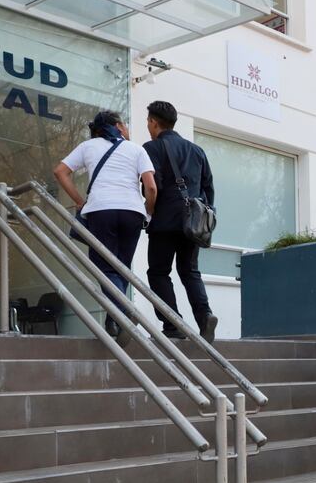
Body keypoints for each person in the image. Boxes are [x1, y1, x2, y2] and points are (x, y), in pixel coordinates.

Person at [54, 111, 157, 340]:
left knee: (106, 269)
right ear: (119, 126)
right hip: (132, 212)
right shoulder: (137, 149)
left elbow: (60, 172)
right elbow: (151, 188)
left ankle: (124, 315)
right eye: (126, 125)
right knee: (121, 269)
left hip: (101, 211)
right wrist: (148, 211)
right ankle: (115, 322)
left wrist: (80, 201)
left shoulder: (88, 146)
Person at [142, 101, 218, 343]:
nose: (148, 126)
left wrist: (149, 212)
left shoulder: (151, 148)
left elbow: (153, 186)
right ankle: (204, 316)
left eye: (148, 122)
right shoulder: (197, 151)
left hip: (164, 221)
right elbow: (209, 189)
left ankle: (173, 324)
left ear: (154, 122)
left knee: (158, 272)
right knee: (190, 271)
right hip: (192, 223)